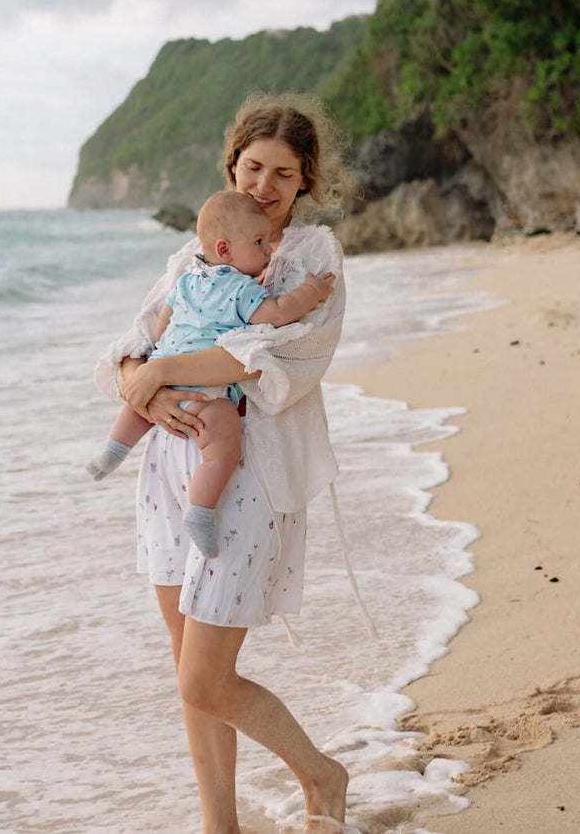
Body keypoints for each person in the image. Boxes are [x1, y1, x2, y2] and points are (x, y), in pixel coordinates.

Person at [93, 92, 357, 832]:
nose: (264, 187)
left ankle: (322, 774)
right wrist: (137, 383)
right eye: (252, 168)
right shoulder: (195, 253)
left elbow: (278, 359)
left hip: (250, 476)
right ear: (231, 167)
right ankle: (221, 826)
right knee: (189, 674)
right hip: (168, 475)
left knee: (204, 677)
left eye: (283, 173)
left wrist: (156, 373)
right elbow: (132, 345)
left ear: (305, 180)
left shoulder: (312, 258)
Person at [87, 189, 336, 560]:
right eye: (258, 242)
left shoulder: (187, 279)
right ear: (224, 250)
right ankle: (201, 512)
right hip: (207, 390)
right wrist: (310, 293)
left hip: (165, 375)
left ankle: (112, 451)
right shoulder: (242, 288)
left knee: (138, 407)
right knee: (223, 448)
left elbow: (160, 325)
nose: (268, 251)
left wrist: (163, 354)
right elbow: (279, 314)